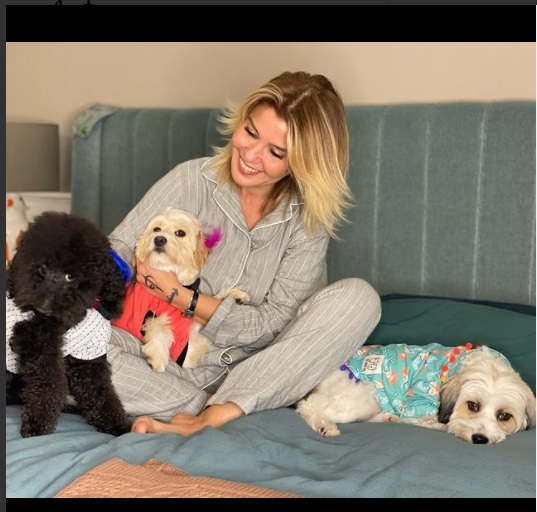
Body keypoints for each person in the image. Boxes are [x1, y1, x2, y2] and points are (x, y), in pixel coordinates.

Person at [107, 71, 381, 436]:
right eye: (250, 132)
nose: (250, 155)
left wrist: (181, 296)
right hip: (156, 358)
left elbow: (273, 325)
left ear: (302, 163)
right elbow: (116, 251)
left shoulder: (307, 223)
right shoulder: (190, 179)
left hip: (256, 373)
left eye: (275, 152)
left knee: (360, 299)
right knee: (59, 344)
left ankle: (224, 407)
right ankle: (205, 409)